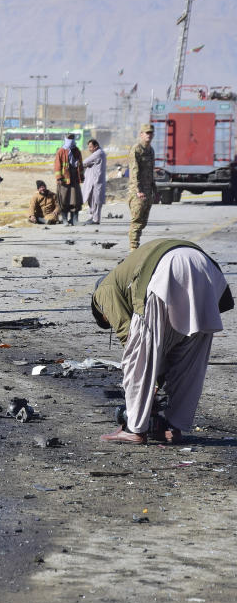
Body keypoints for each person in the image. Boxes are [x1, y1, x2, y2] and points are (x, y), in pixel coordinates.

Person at [92, 239, 233, 444]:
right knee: (189, 361)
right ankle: (173, 427)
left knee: (137, 358)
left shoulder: (102, 292)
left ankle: (134, 428)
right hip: (205, 266)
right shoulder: (126, 275)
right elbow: (167, 346)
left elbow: (128, 335)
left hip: (168, 268)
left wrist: (152, 382)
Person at [128, 124, 157, 250]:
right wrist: (137, 191)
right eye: (146, 133)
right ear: (141, 134)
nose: (149, 135)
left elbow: (151, 172)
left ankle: (135, 244)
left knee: (143, 222)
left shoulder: (151, 150)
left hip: (148, 191)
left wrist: (154, 191)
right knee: (137, 221)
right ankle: (133, 249)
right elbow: (134, 171)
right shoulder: (136, 149)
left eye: (150, 133)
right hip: (137, 193)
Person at [54, 133, 84, 226]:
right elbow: (57, 165)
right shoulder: (61, 151)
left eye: (72, 139)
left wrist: (82, 176)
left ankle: (74, 220)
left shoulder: (77, 151)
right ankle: (65, 220)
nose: (71, 141)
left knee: (75, 200)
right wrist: (59, 177)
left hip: (74, 179)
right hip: (64, 180)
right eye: (69, 139)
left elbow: (80, 165)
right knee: (64, 200)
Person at [81, 139, 107, 225]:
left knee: (96, 200)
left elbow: (84, 162)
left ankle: (95, 219)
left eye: (91, 147)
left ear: (96, 146)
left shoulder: (98, 153)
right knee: (92, 199)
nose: (89, 149)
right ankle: (93, 217)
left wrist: (87, 164)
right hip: (95, 181)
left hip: (96, 181)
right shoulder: (100, 153)